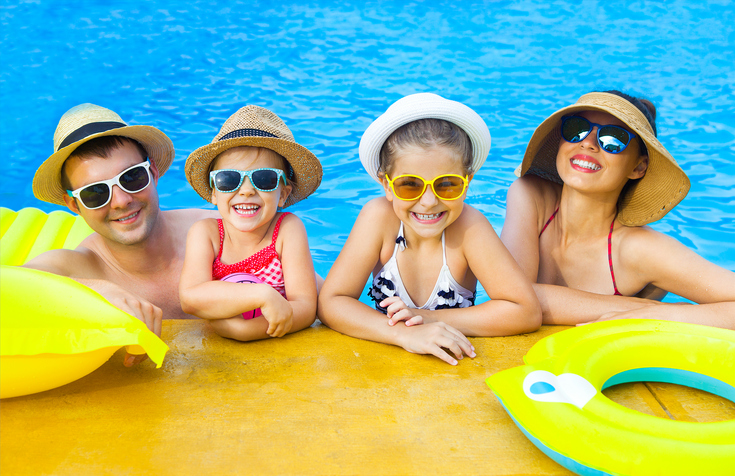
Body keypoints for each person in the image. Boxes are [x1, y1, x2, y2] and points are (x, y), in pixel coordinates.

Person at [318, 93, 541, 365]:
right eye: (409, 184)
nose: (428, 201)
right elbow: (332, 302)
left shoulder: (470, 228)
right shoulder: (378, 219)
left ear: (467, 182)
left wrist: (426, 318)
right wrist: (405, 335)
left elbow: (524, 311)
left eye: (447, 184)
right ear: (387, 185)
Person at [501, 90, 735, 329]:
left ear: (638, 167)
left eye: (613, 140)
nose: (588, 143)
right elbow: (509, 295)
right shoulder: (530, 195)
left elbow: (518, 298)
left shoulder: (639, 250)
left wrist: (652, 317)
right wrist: (645, 308)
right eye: (576, 129)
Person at [25, 103, 217, 366]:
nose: (120, 201)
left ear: (153, 173)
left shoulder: (217, 231)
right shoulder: (77, 267)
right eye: (95, 193)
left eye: (131, 177)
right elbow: (13, 284)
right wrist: (100, 290)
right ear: (74, 205)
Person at [179, 105, 322, 341]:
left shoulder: (287, 230)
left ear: (283, 194)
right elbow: (190, 298)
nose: (246, 191)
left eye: (264, 179)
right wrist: (261, 295)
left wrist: (245, 331)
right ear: (214, 193)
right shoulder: (206, 234)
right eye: (228, 179)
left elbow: (306, 308)